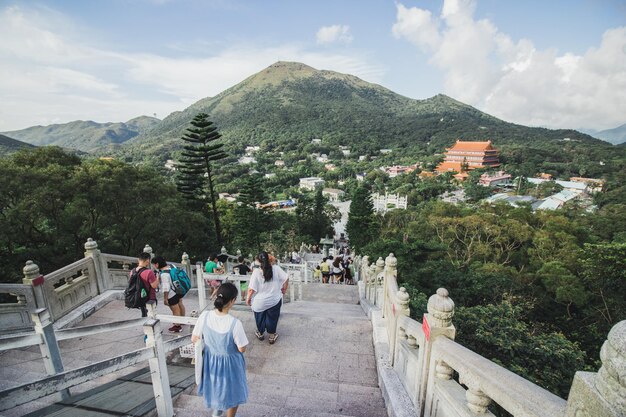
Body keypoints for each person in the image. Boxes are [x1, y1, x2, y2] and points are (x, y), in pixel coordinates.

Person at [192, 282, 248, 417]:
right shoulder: (235, 323)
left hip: (211, 362)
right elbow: (241, 348)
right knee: (233, 391)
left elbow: (195, 338)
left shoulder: (204, 316)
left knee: (216, 387)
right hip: (231, 364)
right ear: (233, 301)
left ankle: (216, 413)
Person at [246, 251, 288, 344]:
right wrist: (284, 289)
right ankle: (272, 336)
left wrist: (248, 299)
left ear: (258, 261)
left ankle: (260, 333)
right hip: (274, 300)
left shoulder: (256, 272)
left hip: (259, 301)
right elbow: (286, 278)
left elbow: (251, 289)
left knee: (259, 317)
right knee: (273, 317)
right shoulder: (276, 269)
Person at [151, 256, 186, 333]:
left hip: (172, 294)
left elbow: (166, 288)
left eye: (154, 264)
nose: (154, 266)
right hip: (179, 290)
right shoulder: (172, 266)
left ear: (157, 264)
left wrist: (165, 298)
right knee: (180, 304)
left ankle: (177, 326)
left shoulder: (164, 274)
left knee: (175, 309)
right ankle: (183, 320)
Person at [131, 252, 159, 317]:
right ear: (147, 260)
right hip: (150, 297)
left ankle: (145, 325)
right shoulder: (149, 272)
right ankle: (151, 326)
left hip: (139, 297)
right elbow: (154, 286)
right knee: (152, 314)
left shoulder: (132, 271)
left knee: (144, 313)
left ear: (138, 260)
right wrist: (157, 278)